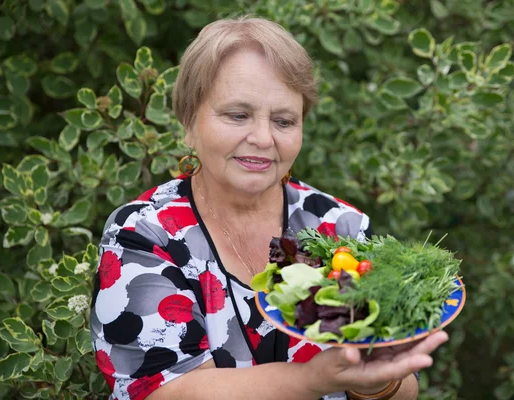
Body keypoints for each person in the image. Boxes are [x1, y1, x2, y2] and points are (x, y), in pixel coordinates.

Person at [90, 16, 449, 400]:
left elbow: (400, 389)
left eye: (283, 120)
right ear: (188, 123)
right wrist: (314, 381)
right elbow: (165, 392)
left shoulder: (336, 225)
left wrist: (378, 378)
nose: (263, 138)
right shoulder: (144, 234)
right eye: (238, 115)